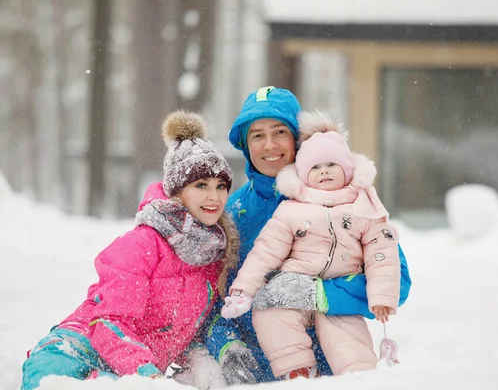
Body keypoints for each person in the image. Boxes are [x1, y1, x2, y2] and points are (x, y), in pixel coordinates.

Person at [204, 86, 412, 385]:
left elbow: (398, 281)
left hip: (333, 372)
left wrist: (321, 294)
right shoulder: (232, 210)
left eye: (279, 132)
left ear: (298, 139)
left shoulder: (346, 199)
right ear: (245, 145)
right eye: (257, 135)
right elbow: (208, 297)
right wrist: (227, 346)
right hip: (258, 376)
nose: (269, 145)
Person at [20, 111, 239, 390]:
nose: (214, 197)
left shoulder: (213, 254)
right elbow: (109, 322)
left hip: (129, 370)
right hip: (76, 352)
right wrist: (148, 378)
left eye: (221, 186)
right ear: (176, 191)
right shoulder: (141, 245)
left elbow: (182, 331)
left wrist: (200, 363)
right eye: (201, 185)